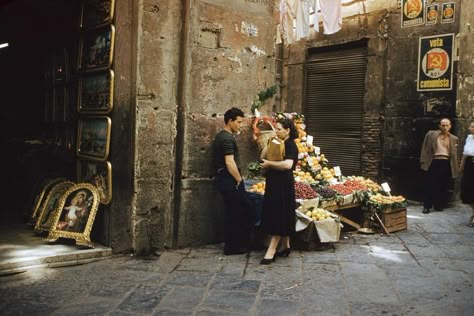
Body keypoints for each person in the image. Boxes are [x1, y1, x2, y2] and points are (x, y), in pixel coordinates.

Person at [212, 107, 252, 255]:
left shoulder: (222, 136)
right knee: (236, 212)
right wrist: (239, 180)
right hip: (229, 179)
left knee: (233, 211)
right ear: (230, 121)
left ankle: (233, 245)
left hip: (224, 179)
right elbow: (229, 162)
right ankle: (233, 247)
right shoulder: (227, 138)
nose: (240, 125)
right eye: (239, 122)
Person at [259, 118, 298, 265]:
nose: (276, 131)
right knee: (280, 212)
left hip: (283, 184)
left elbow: (288, 165)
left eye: (279, 129)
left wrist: (269, 164)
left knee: (279, 213)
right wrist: (269, 143)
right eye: (275, 128)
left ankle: (272, 250)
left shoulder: (291, 145)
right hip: (273, 182)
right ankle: (286, 245)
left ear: (287, 130)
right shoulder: (277, 142)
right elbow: (262, 157)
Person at [420, 118, 459, 214]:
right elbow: (424, 148)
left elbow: (454, 154)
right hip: (434, 162)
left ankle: (439, 205)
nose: (445, 127)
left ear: (450, 126)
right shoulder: (431, 134)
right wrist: (423, 161)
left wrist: (455, 167)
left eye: (447, 125)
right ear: (439, 126)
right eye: (443, 125)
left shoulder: (454, 139)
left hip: (446, 163)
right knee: (429, 184)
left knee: (442, 185)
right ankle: (427, 206)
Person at [459, 121, 474, 227]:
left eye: (472, 127)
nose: (470, 128)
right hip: (469, 166)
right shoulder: (469, 138)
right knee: (468, 190)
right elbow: (465, 154)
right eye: (470, 126)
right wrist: (461, 166)